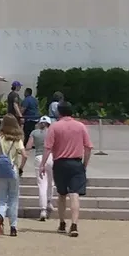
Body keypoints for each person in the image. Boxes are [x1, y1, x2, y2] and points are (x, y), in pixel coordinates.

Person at [44, 102, 92, 238]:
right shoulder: (81, 126)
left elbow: (48, 147)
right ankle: (74, 224)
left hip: (60, 162)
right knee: (75, 194)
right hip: (76, 162)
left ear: (59, 112)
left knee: (61, 194)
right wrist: (85, 164)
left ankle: (62, 222)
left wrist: (43, 164)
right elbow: (88, 147)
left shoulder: (55, 127)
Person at [0, 113, 27, 237]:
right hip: (13, 169)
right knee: (13, 198)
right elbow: (25, 155)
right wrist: (21, 167)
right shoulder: (17, 139)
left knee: (1, 198)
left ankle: (0, 214)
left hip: (1, 171)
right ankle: (13, 226)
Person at [28, 115, 54, 219]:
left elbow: (28, 146)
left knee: (42, 184)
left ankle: (43, 210)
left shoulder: (34, 133)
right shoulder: (52, 132)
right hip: (51, 157)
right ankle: (49, 201)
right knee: (51, 182)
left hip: (39, 157)